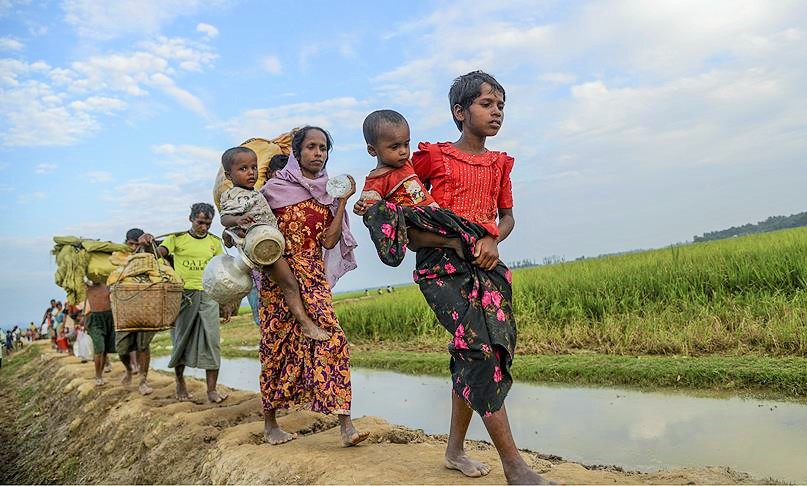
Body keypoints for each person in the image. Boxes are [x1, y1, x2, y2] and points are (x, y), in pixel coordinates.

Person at [356, 72, 545, 484]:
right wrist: (451, 241)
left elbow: (507, 216)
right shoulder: (430, 157)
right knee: (477, 351)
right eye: (486, 104)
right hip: (441, 270)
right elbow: (400, 208)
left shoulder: (498, 164)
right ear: (460, 112)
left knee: (483, 351)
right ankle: (515, 466)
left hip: (486, 268)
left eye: (500, 106)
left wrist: (493, 238)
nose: (495, 112)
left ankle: (455, 451)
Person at [258, 125, 367, 447]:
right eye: (311, 147)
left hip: (312, 274)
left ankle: (345, 424)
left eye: (323, 148)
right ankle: (270, 424)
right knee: (276, 348)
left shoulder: (328, 193)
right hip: (277, 278)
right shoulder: (273, 191)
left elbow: (330, 241)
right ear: (296, 152)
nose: (318, 154)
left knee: (333, 340)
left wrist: (343, 201)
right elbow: (258, 238)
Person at [219, 146, 329, 340]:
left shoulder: (252, 192)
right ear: (229, 175)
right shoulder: (233, 195)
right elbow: (225, 218)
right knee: (289, 284)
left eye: (253, 167)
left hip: (268, 243)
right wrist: (237, 221)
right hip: (261, 248)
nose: (251, 172)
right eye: (243, 169)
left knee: (288, 285)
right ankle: (305, 324)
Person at [146, 203, 229, 403]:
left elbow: (221, 271)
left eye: (208, 223)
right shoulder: (177, 238)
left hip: (209, 295)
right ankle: (180, 382)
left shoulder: (214, 242)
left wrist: (227, 301)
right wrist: (149, 243)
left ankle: (211, 390)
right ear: (191, 219)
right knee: (180, 340)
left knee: (213, 341)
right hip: (183, 296)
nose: (204, 227)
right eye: (200, 222)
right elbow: (160, 253)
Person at [114, 228, 159, 395]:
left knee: (143, 345)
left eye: (136, 244)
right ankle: (128, 369)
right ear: (126, 243)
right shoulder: (120, 256)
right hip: (124, 309)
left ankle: (143, 381)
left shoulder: (148, 256)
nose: (134, 248)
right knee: (122, 348)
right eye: (131, 244)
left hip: (145, 307)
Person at [85, 281, 115, 386]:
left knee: (105, 350)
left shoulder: (108, 284)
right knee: (99, 348)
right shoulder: (87, 286)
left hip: (109, 317)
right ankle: (97, 376)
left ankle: (100, 375)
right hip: (95, 319)